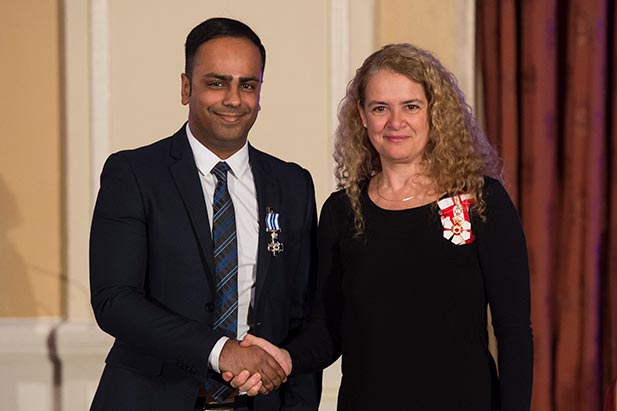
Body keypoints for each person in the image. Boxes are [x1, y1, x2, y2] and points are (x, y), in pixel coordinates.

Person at [230, 43, 534, 410]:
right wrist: (285, 358)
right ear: (361, 115)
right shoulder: (342, 211)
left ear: (434, 112)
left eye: (411, 106)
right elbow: (327, 328)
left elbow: (514, 332)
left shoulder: (482, 200)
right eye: (380, 108)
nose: (395, 122)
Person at [88, 17, 322, 411]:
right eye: (217, 83)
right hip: (151, 398)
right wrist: (220, 351)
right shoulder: (134, 174)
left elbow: (302, 314)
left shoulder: (293, 184)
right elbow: (114, 300)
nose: (233, 99)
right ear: (185, 88)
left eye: (247, 85)